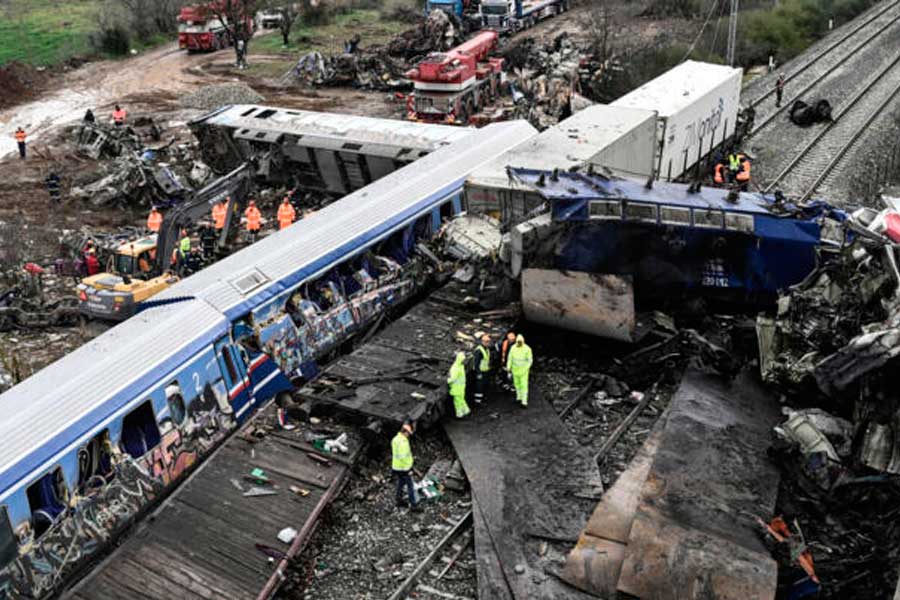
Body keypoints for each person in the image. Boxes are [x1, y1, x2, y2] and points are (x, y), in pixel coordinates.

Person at [391, 420, 420, 511]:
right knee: (410, 486)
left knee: (401, 483)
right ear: (405, 432)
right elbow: (403, 457)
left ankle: (398, 500)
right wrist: (409, 469)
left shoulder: (395, 439)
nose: (408, 435)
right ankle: (413, 506)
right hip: (404, 468)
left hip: (396, 467)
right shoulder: (403, 442)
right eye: (408, 433)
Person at [506, 334, 533, 407]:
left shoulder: (527, 349)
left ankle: (524, 401)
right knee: (517, 385)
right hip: (515, 370)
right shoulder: (513, 348)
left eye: (520, 342)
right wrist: (508, 368)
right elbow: (510, 359)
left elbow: (530, 361)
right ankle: (519, 397)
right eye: (518, 342)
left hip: (523, 371)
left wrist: (525, 369)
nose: (519, 343)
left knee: (524, 386)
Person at [447, 352, 470, 419]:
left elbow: (453, 378)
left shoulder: (456, 367)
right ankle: (466, 411)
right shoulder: (461, 366)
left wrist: (447, 380)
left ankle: (459, 414)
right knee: (462, 400)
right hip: (461, 387)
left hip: (456, 388)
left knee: (457, 402)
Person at [472, 334, 492, 404]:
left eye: (488, 342)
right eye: (486, 342)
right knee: (479, 387)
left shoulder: (486, 349)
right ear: (482, 342)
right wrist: (478, 373)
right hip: (480, 372)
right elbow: (476, 363)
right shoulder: (479, 350)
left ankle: (482, 399)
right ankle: (478, 401)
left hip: (485, 371)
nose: (488, 343)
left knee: (484, 386)